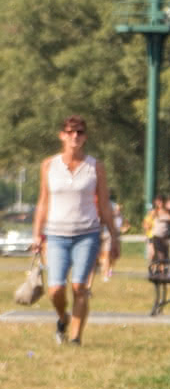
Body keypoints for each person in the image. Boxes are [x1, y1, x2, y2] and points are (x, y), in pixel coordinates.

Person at [31, 115, 119, 345]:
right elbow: (43, 201)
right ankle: (63, 318)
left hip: (87, 234)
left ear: (85, 137)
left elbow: (104, 205)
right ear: (62, 135)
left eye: (79, 132)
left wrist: (114, 237)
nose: (75, 136)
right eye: (70, 132)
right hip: (56, 235)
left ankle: (75, 339)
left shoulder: (95, 167)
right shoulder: (49, 166)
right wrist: (37, 234)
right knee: (55, 289)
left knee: (80, 286)